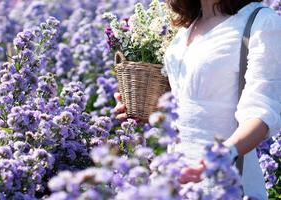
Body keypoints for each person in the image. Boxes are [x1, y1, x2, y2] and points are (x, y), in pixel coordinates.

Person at [113, 0, 281, 199]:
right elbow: (192, 102)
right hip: (176, 180)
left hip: (225, 181)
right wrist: (149, 110)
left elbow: (261, 112)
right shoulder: (190, 24)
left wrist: (221, 155)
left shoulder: (261, 22)